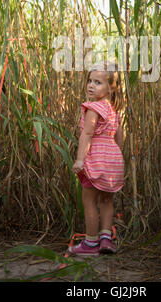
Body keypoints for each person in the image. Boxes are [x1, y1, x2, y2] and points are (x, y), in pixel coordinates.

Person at [68, 62, 124, 257]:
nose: (91, 85)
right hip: (113, 158)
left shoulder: (93, 107)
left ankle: (91, 242)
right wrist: (117, 156)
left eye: (98, 82)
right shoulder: (113, 108)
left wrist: (80, 160)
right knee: (107, 200)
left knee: (89, 200)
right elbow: (119, 136)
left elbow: (87, 134)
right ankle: (106, 238)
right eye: (90, 81)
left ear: (112, 87)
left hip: (96, 158)